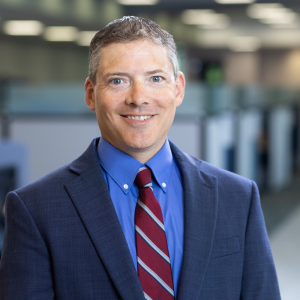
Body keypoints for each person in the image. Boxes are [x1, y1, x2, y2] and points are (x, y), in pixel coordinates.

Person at [0, 16, 280, 300]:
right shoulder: (36, 209)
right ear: (91, 94)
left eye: (155, 78)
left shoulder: (237, 198)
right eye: (118, 80)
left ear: (178, 89)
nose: (138, 98)